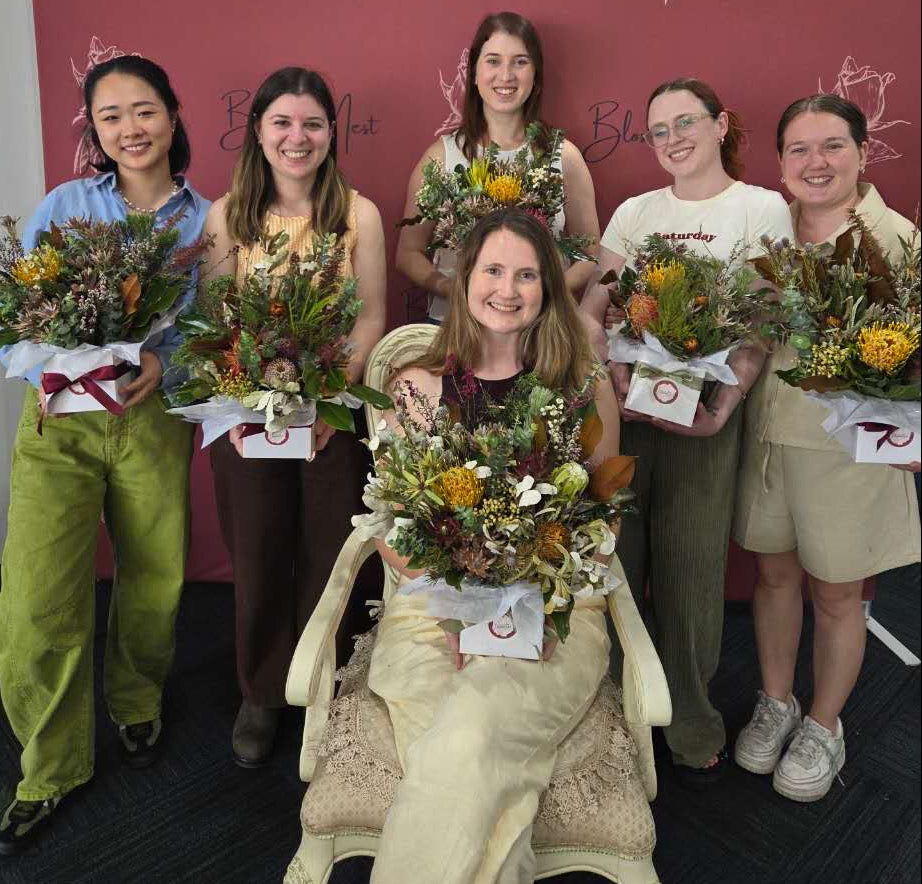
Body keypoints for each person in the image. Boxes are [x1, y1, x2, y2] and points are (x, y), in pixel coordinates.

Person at [366, 209, 621, 883]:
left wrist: (523, 614)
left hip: (559, 620)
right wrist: (465, 611)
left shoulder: (580, 385)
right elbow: (395, 527)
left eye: (528, 274)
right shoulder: (416, 389)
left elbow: (600, 525)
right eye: (493, 271)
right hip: (429, 615)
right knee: (468, 752)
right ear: (464, 278)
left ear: (549, 287)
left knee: (464, 740)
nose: (508, 290)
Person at [0, 55, 210, 855]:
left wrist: (170, 365)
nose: (131, 129)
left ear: (173, 113)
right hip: (60, 422)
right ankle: (48, 766)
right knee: (37, 592)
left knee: (155, 576)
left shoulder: (205, 221)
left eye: (145, 110)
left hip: (150, 418)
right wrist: (53, 349)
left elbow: (210, 325)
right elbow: (24, 310)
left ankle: (136, 701)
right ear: (94, 129)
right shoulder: (65, 205)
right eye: (112, 116)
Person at [581, 77, 794, 787]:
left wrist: (725, 402)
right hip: (628, 418)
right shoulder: (637, 211)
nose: (673, 140)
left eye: (686, 123)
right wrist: (610, 378)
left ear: (720, 123)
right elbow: (593, 311)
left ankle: (690, 717)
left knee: (693, 570)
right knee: (616, 561)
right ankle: (613, 709)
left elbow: (765, 318)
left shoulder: (761, 206)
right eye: (658, 130)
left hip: (707, 421)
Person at [733, 94, 921, 802]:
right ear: (780, 164)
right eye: (800, 150)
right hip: (768, 439)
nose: (817, 162)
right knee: (775, 579)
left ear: (863, 153)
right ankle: (777, 700)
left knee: (838, 594)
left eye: (833, 146)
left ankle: (823, 723)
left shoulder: (898, 241)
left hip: (848, 455)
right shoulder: (763, 236)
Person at [203, 67, 386, 768]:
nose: (296, 137)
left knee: (326, 557)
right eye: (282, 122)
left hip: (331, 420)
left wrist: (331, 406)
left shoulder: (356, 216)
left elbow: (370, 320)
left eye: (312, 124)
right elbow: (219, 323)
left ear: (330, 134)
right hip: (248, 422)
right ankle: (262, 691)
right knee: (259, 553)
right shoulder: (229, 217)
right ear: (258, 130)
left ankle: (323, 683)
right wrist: (250, 403)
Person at [396, 10, 600, 321]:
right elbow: (408, 253)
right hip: (458, 326)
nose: (506, 76)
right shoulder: (442, 157)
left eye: (520, 62)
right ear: (474, 73)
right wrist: (456, 290)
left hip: (539, 328)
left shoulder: (564, 157)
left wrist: (546, 293)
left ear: (536, 75)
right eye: (493, 61)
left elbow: (590, 255)